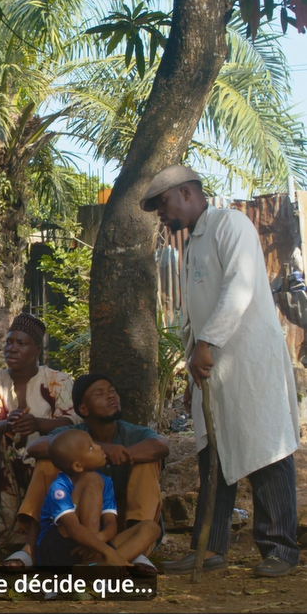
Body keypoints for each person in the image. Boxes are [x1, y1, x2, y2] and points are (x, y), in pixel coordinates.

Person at [142, 165, 300, 577]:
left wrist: (208, 344)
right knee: (213, 455)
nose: (161, 212)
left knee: (265, 450)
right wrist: (194, 360)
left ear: (187, 193)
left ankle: (280, 548)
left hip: (247, 361)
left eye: (163, 203)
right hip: (211, 368)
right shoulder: (190, 244)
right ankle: (209, 549)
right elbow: (193, 314)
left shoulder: (232, 224)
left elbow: (241, 286)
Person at [9, 374, 168, 573]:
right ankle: (30, 548)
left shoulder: (135, 433)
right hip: (70, 528)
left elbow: (160, 446)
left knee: (147, 463)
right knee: (49, 459)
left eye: (112, 391)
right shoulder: (74, 435)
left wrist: (123, 455)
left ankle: (133, 554)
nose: (111, 396)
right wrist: (104, 449)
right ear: (83, 409)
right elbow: (37, 446)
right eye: (100, 394)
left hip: (117, 525)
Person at [0, 312, 79, 549]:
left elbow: (74, 421)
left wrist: (39, 425)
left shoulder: (59, 381)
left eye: (21, 343)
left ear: (37, 350)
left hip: (49, 462)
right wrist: (5, 425)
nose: (11, 349)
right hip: (2, 465)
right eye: (8, 342)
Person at [35, 430, 160, 569]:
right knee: (92, 479)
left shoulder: (105, 482)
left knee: (151, 528)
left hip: (95, 544)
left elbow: (111, 524)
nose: (99, 447)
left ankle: (101, 566)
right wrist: (106, 550)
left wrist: (98, 541)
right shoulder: (59, 487)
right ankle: (101, 563)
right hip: (60, 548)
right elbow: (72, 528)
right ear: (77, 466)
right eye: (90, 447)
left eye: (94, 442)